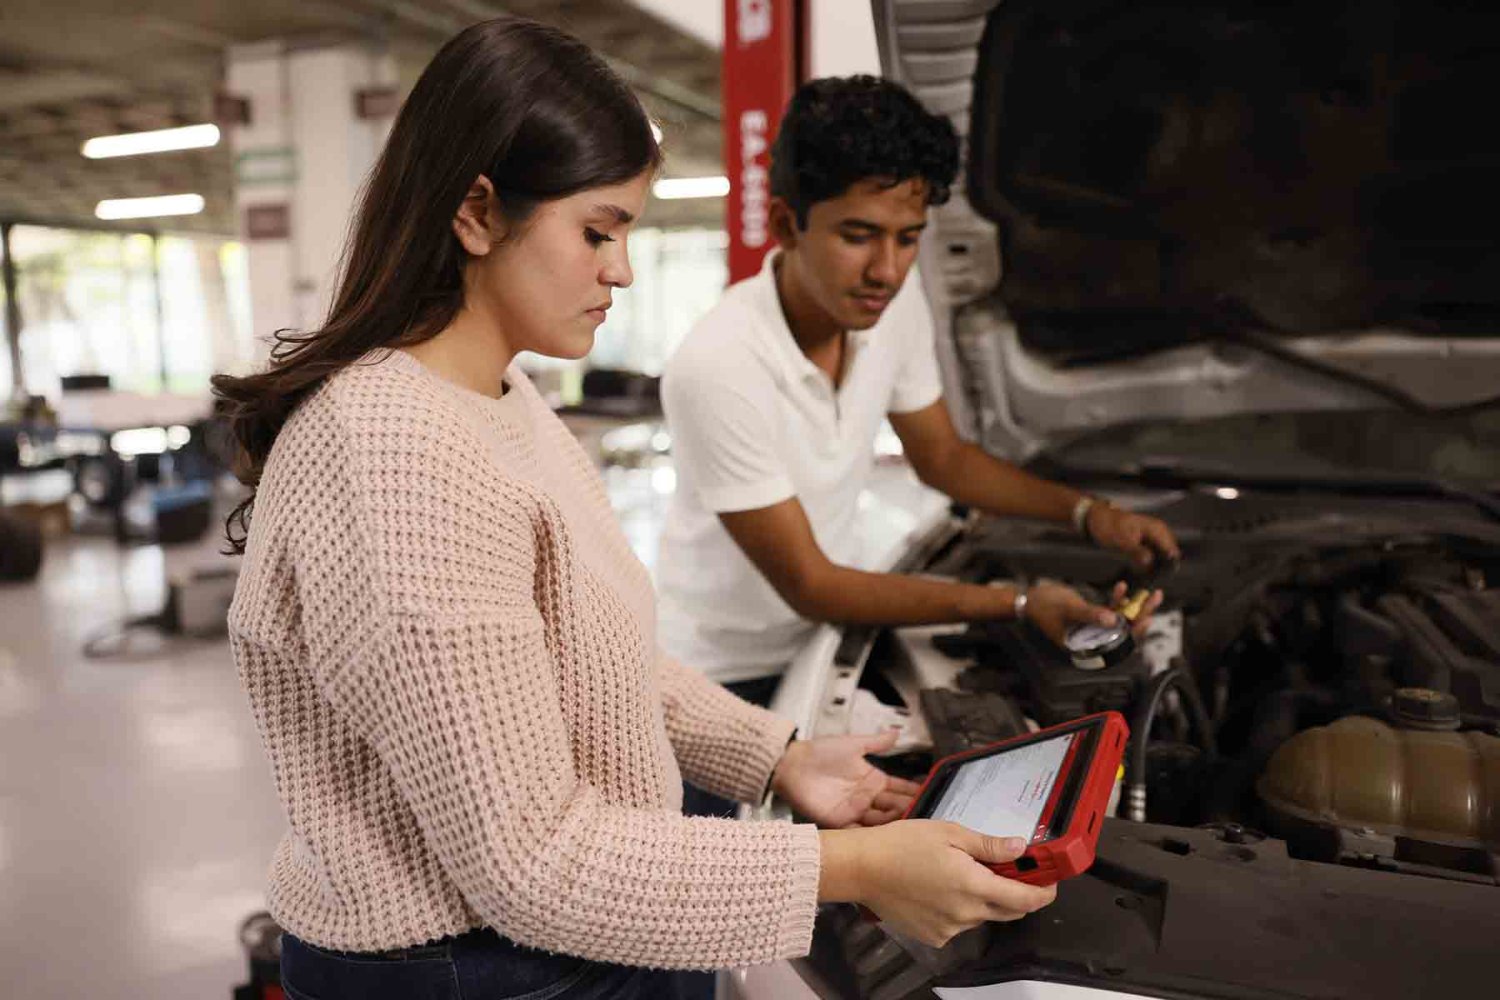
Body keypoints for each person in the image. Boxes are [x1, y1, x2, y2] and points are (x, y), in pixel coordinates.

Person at [212, 19, 1055, 1000]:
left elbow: (589, 659)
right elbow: (534, 865)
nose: (620, 270)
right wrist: (858, 868)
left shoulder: (499, 397)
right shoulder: (397, 459)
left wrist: (778, 758)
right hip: (482, 971)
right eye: (596, 231)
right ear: (477, 213)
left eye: (627, 235)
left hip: (562, 943)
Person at [657, 76, 1178, 722]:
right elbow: (812, 584)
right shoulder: (719, 364)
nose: (887, 270)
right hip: (718, 675)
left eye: (907, 238)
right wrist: (1018, 602)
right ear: (788, 224)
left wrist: (1088, 514)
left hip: (828, 638)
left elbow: (943, 458)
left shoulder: (891, 309)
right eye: (858, 235)